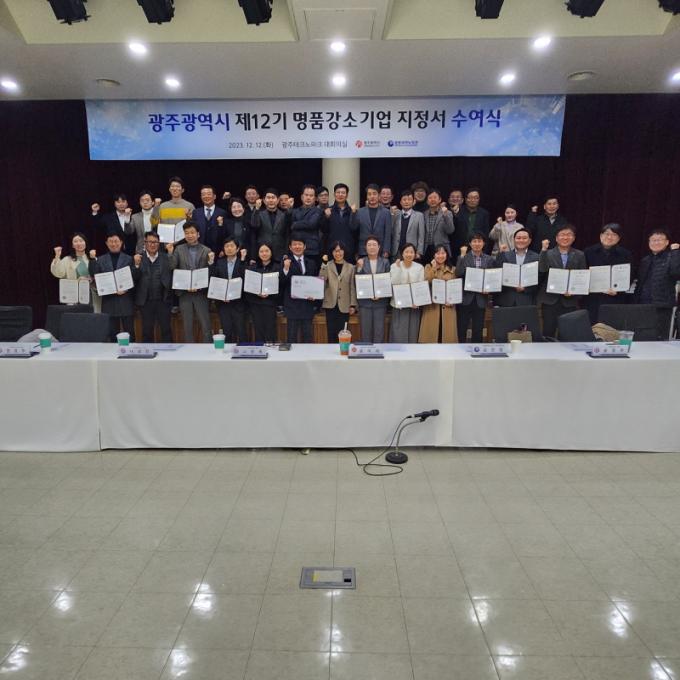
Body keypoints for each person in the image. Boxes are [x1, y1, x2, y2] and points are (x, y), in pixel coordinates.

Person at [167, 222, 215, 342]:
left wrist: (211, 263)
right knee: (187, 326)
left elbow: (210, 273)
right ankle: (189, 350)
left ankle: (208, 350)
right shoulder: (179, 249)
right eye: (187, 233)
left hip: (201, 293)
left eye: (192, 232)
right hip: (184, 293)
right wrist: (170, 253)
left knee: (206, 325)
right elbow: (172, 267)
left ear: (198, 234)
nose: (189, 235)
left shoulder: (206, 250)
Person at [89, 230, 140, 342]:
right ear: (106, 243)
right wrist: (92, 260)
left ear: (121, 242)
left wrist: (126, 288)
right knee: (112, 334)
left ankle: (131, 352)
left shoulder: (129, 259)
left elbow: (135, 278)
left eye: (116, 241)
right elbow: (95, 277)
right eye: (111, 241)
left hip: (126, 300)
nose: (114, 244)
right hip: (109, 302)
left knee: (130, 333)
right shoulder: (100, 260)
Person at [537, 225, 587, 338]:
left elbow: (582, 276)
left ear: (574, 238)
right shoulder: (548, 253)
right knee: (548, 331)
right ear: (556, 238)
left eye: (569, 235)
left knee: (567, 332)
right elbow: (542, 269)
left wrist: (574, 292)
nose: (565, 237)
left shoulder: (580, 255)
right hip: (550, 300)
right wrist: (543, 250)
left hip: (570, 300)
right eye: (562, 235)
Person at [634, 229, 680, 340]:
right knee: (641, 337)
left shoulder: (672, 257)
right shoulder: (645, 260)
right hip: (642, 304)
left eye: (659, 240)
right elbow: (640, 282)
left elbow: (676, 273)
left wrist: (675, 252)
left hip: (662, 305)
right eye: (653, 240)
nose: (656, 242)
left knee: (659, 339)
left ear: (667, 242)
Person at [584, 223, 633, 322]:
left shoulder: (626, 254)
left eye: (614, 235)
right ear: (601, 236)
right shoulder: (588, 252)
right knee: (592, 326)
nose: (610, 237)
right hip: (593, 299)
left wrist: (618, 290)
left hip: (615, 298)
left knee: (612, 328)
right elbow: (582, 274)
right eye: (607, 234)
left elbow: (630, 275)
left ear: (619, 238)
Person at [133, 231, 173, 342]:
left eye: (155, 242)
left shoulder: (165, 257)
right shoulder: (138, 258)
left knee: (166, 330)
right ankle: (147, 353)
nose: (152, 244)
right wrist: (136, 265)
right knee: (147, 331)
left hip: (163, 300)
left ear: (159, 243)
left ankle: (169, 352)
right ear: (145, 243)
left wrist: (170, 254)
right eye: (150, 242)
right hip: (145, 301)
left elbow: (172, 273)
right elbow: (134, 278)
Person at [455, 232, 495, 342]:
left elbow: (491, 278)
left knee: (478, 328)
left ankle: (476, 349)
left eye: (479, 241)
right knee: (461, 327)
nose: (477, 244)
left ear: (483, 243)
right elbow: (458, 273)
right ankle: (460, 349)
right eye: (474, 241)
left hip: (481, 298)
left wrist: (488, 289)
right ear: (470, 243)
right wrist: (462, 256)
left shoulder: (489, 259)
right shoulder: (463, 257)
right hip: (465, 298)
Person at [280, 234, 319, 343]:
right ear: (290, 247)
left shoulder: (311, 263)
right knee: (291, 338)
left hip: (307, 306)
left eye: (300, 244)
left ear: (304, 246)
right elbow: (281, 283)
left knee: (308, 338)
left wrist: (315, 295)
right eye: (294, 244)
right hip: (292, 306)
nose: (297, 246)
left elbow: (315, 282)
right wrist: (286, 268)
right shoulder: (285, 263)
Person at [419, 244, 458, 343]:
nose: (440, 256)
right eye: (438, 253)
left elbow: (455, 289)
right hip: (432, 307)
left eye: (443, 253)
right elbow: (427, 281)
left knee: (446, 337)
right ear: (434, 255)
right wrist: (434, 268)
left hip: (448, 307)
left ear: (447, 255)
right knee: (431, 337)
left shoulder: (453, 269)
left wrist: (452, 301)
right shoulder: (428, 267)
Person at [212, 237, 248, 342]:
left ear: (237, 249)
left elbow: (245, 279)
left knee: (241, 331)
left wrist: (242, 259)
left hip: (239, 303)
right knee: (227, 331)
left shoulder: (243, 262)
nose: (229, 248)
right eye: (226, 246)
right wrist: (220, 296)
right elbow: (214, 281)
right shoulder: (219, 263)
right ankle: (227, 352)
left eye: (232, 246)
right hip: (223, 303)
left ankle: (243, 351)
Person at [320, 242, 357, 343]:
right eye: (335, 251)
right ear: (332, 252)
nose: (338, 253)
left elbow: (352, 287)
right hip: (330, 304)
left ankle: (342, 351)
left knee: (343, 333)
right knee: (331, 333)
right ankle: (331, 353)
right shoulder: (327, 265)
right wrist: (324, 263)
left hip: (345, 305)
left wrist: (353, 305)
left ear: (344, 251)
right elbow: (321, 280)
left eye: (340, 250)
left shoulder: (351, 267)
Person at [51, 232, 99, 310]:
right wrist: (57, 256)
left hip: (92, 295)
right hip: (74, 296)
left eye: (81, 240)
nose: (79, 243)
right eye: (75, 241)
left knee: (92, 315)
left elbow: (99, 276)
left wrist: (90, 279)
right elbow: (58, 273)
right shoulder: (67, 260)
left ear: (85, 243)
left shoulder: (92, 259)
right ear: (72, 245)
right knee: (76, 316)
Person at [355, 236, 390, 343]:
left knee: (379, 331)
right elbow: (357, 281)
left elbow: (388, 281)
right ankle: (367, 352)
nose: (372, 247)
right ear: (365, 247)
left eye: (374, 245)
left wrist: (381, 294)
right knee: (365, 332)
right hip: (365, 302)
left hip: (380, 302)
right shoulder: (361, 261)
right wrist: (359, 268)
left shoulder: (385, 262)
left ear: (379, 247)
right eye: (369, 245)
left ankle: (378, 352)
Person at [493, 228, 540, 307]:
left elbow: (540, 279)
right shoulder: (504, 255)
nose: (521, 240)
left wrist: (525, 289)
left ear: (529, 241)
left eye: (524, 238)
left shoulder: (536, 257)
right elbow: (497, 276)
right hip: (506, 300)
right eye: (518, 238)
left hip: (527, 300)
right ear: (514, 240)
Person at [389, 243, 424, 342]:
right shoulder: (394, 266)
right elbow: (393, 284)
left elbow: (420, 286)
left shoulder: (420, 267)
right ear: (402, 253)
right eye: (406, 252)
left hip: (414, 306)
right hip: (399, 305)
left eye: (411, 252)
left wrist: (417, 301)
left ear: (415, 254)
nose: (409, 254)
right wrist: (397, 268)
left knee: (413, 332)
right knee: (399, 333)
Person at [245, 242, 280, 342]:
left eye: (267, 251)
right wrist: (256, 292)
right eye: (261, 251)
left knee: (270, 329)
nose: (264, 253)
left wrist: (270, 293)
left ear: (271, 252)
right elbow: (248, 287)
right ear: (258, 253)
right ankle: (259, 349)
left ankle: (271, 349)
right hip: (256, 304)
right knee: (258, 329)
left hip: (270, 303)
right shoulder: (252, 267)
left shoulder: (277, 267)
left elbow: (281, 286)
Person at [251, 188, 290, 263]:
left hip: (279, 253)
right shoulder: (259, 214)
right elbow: (254, 225)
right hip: (263, 253)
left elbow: (287, 235)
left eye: (273, 197)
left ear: (278, 200)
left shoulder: (284, 215)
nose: (271, 200)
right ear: (264, 200)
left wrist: (286, 252)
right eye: (268, 198)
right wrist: (257, 209)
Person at [288, 184, 324, 266]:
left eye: (311, 196)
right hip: (296, 249)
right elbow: (289, 226)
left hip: (312, 249)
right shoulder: (294, 211)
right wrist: (289, 209)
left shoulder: (318, 211)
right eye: (306, 195)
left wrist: (295, 224)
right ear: (302, 197)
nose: (308, 198)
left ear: (315, 198)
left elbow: (311, 224)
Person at [323, 183, 358, 262]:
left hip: (349, 250)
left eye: (343, 193)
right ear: (334, 194)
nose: (340, 195)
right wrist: (326, 217)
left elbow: (355, 230)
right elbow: (324, 231)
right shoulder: (328, 211)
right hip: (332, 250)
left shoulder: (352, 211)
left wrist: (353, 214)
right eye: (338, 192)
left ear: (347, 195)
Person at [357, 184, 391, 258]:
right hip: (363, 250)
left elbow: (387, 233)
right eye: (369, 194)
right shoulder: (360, 212)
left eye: (374, 194)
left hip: (380, 250)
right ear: (367, 196)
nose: (372, 196)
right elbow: (356, 232)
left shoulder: (386, 212)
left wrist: (386, 250)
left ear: (379, 196)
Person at [191, 185, 228, 254]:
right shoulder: (196, 212)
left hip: (217, 251)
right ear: (201, 197)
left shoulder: (222, 212)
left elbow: (226, 233)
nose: (206, 196)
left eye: (209, 194)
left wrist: (223, 249)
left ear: (214, 196)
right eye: (203, 194)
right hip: (199, 250)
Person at [422, 189, 455, 262]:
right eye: (430, 198)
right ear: (427, 201)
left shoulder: (447, 213)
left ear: (440, 199)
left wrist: (445, 216)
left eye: (435, 197)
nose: (432, 200)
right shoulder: (423, 214)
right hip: (426, 249)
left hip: (441, 249)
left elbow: (450, 231)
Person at [454, 188, 490, 252]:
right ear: (465, 199)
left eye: (476, 198)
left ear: (479, 199)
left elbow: (486, 233)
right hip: (460, 248)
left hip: (478, 248)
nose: (473, 200)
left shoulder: (484, 213)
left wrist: (484, 249)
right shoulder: (458, 211)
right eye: (470, 197)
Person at [392, 190, 425, 260]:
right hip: (396, 251)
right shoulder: (395, 214)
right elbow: (390, 230)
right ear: (400, 202)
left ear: (413, 202)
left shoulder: (419, 215)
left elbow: (421, 236)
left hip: (411, 252)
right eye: (404, 200)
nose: (406, 202)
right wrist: (392, 214)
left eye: (409, 200)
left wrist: (419, 252)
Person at [125, 190, 160, 255]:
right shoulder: (135, 217)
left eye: (147, 200)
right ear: (139, 203)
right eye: (142, 200)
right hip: (141, 251)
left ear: (153, 202)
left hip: (158, 251)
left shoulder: (159, 214)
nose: (145, 202)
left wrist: (156, 208)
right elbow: (128, 232)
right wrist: (127, 218)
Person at [223, 197, 254, 261]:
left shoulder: (249, 222)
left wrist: (252, 257)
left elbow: (253, 241)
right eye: (234, 207)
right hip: (230, 255)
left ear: (243, 208)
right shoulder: (227, 223)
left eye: (239, 206)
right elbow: (223, 239)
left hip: (247, 255)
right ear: (230, 209)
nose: (236, 209)